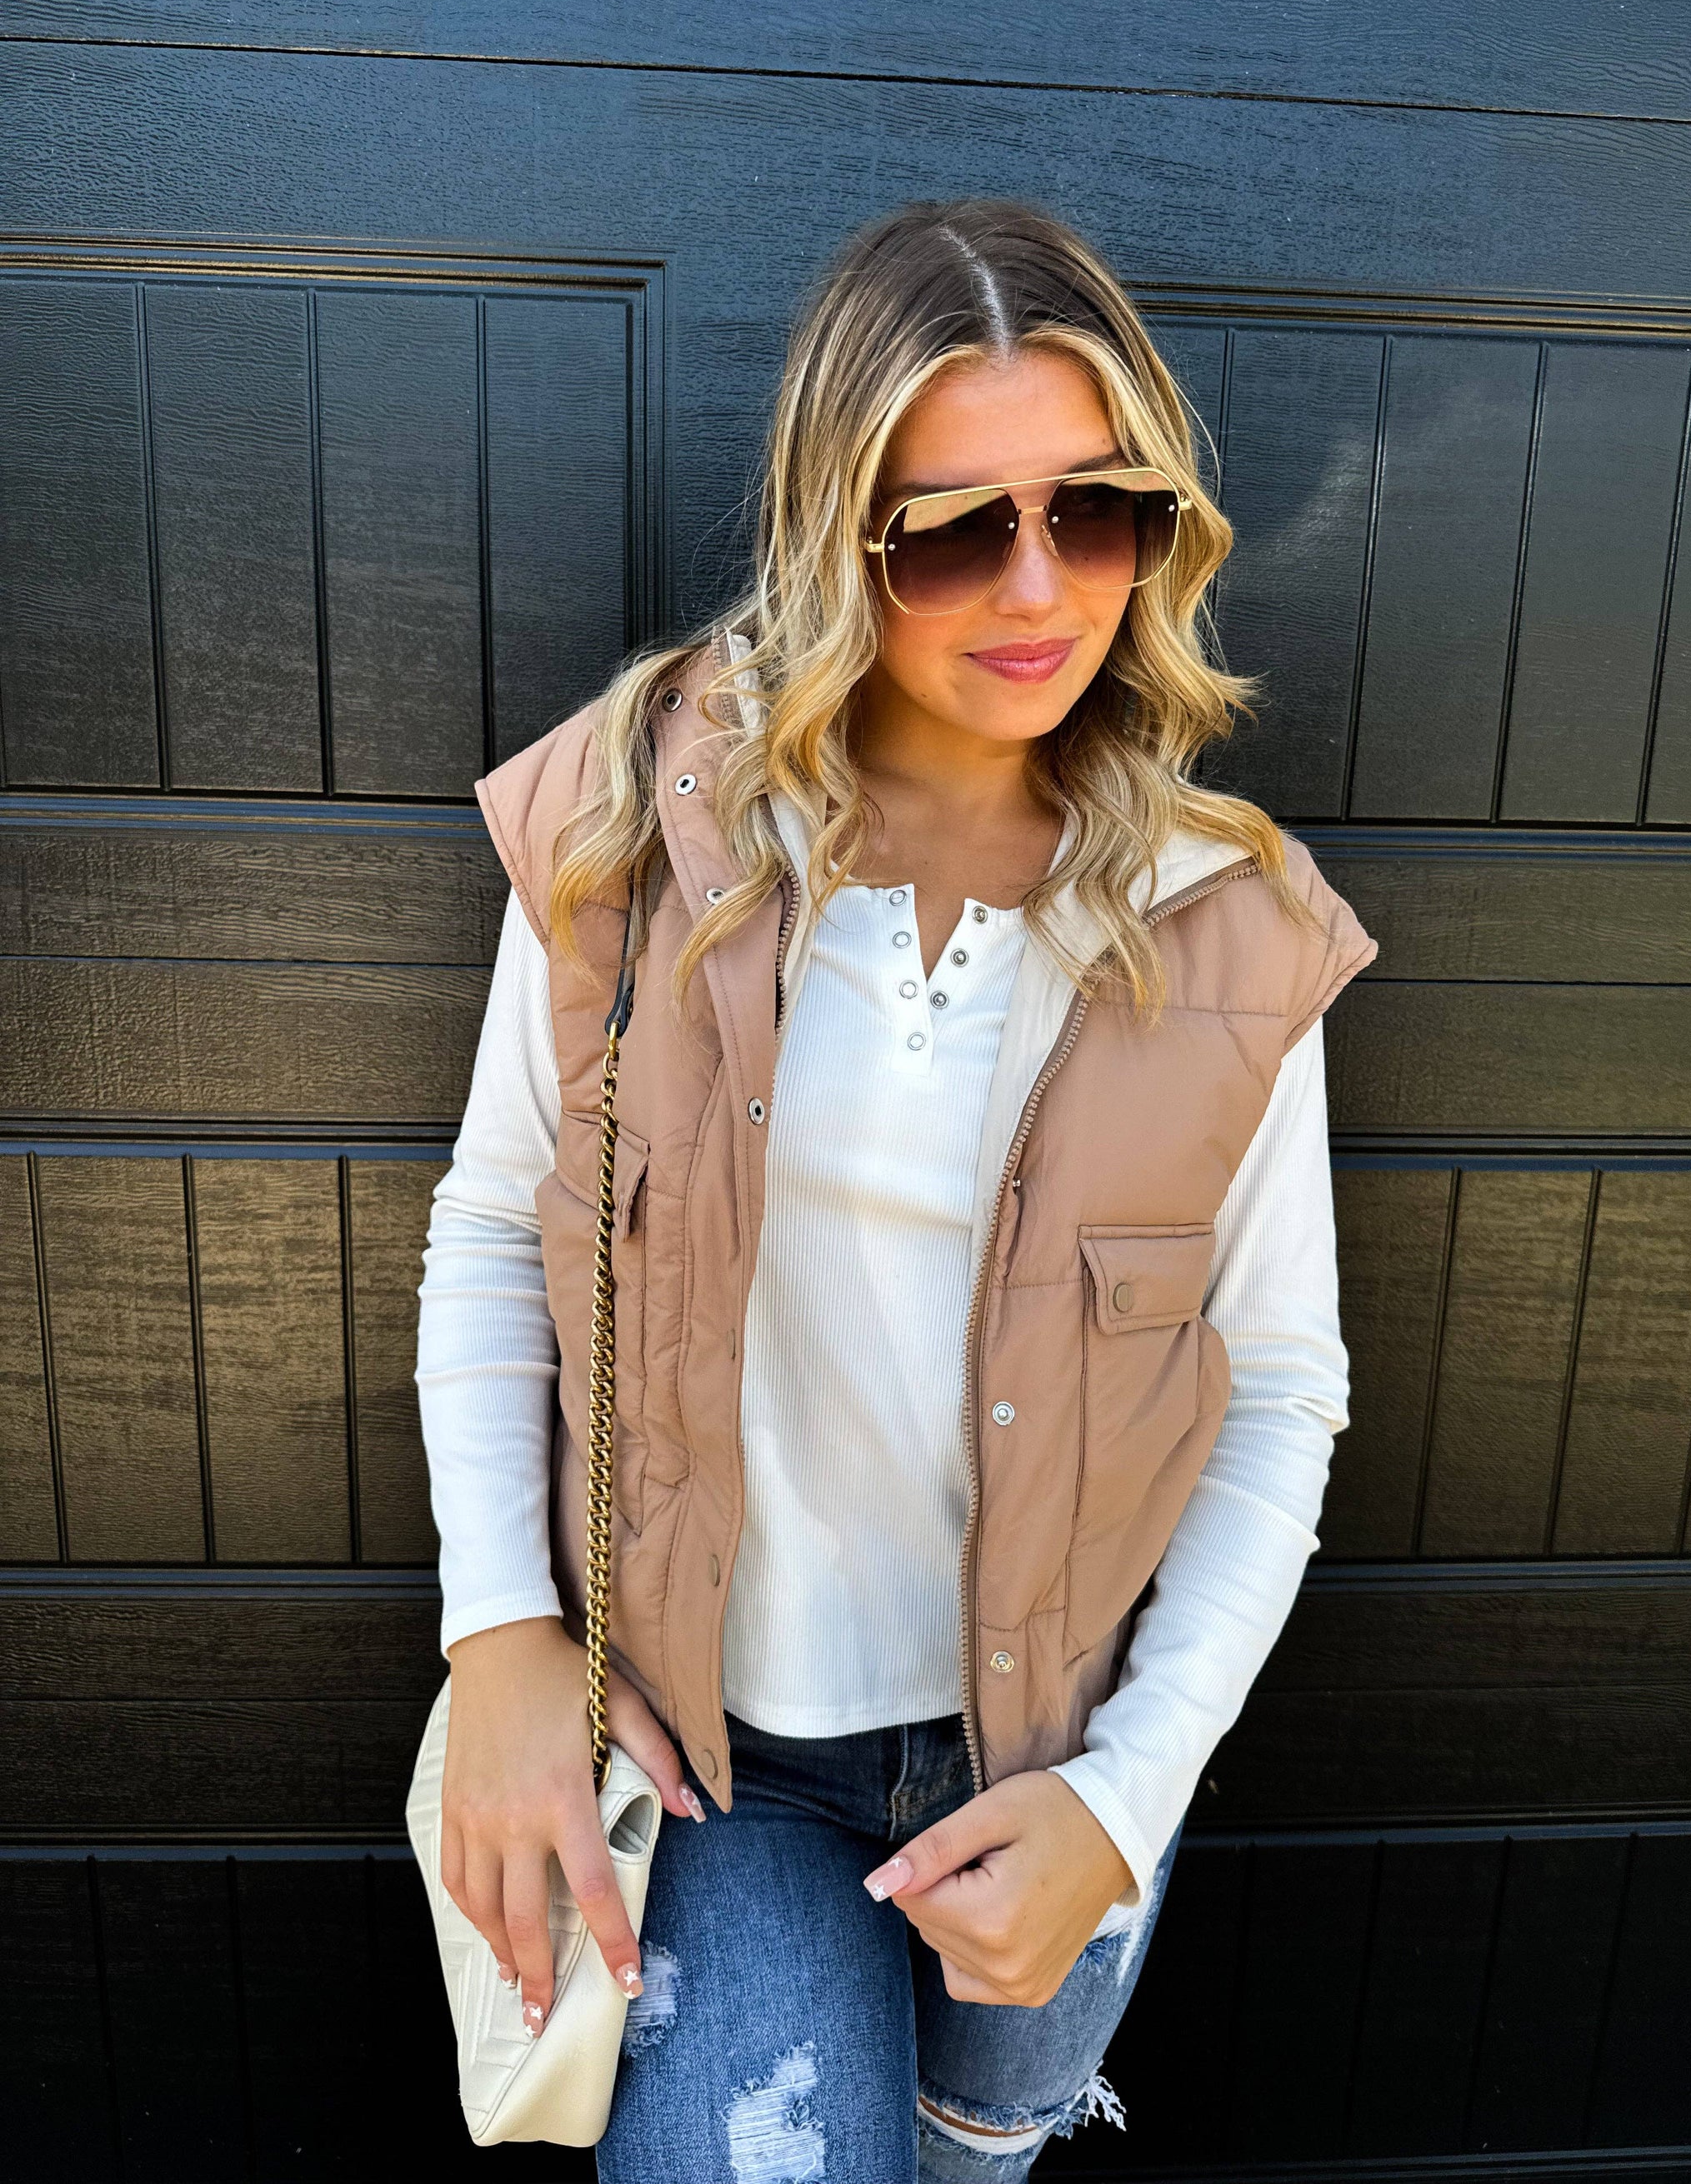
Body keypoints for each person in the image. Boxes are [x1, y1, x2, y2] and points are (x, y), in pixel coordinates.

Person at [414, 194, 1378, 2179]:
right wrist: (497, 1631)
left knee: (973, 2158)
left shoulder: (1228, 917)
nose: (1036, 587)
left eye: (1091, 512)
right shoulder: (640, 823)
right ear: (836, 539)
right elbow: (499, 1220)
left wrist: (1126, 1792)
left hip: (1058, 1761)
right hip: (724, 1765)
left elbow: (1280, 1381)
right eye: (951, 529)